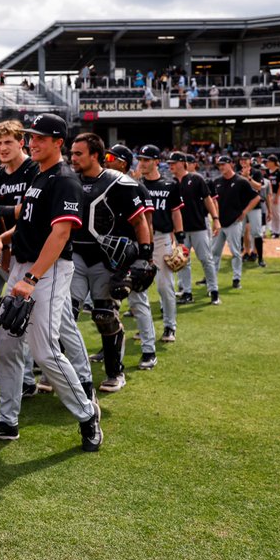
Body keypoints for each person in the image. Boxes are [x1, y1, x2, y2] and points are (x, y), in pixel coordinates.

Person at [0, 114, 102, 448]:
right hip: (24, 265)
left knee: (44, 350)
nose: (34, 142)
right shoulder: (40, 177)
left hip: (49, 269)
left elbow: (60, 234)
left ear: (59, 142)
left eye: (41, 138)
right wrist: (4, 238)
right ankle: (7, 421)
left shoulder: (65, 179)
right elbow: (30, 222)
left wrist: (31, 277)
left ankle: (88, 415)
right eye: (32, 136)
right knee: (8, 348)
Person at [68, 134, 153, 391]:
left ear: (95, 155)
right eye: (71, 154)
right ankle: (60, 372)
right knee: (65, 314)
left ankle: (115, 372)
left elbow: (140, 222)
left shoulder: (121, 183)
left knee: (105, 315)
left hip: (107, 259)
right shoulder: (68, 182)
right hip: (74, 256)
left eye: (78, 154)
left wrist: (144, 257)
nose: (72, 158)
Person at [0, 120, 42, 397]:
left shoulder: (34, 170)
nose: (3, 148)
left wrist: (2, 210)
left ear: (22, 142)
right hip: (0, 254)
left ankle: (39, 375)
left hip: (32, 252)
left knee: (28, 317)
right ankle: (26, 377)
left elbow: (32, 211)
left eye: (8, 142)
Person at [105, 144, 157, 372]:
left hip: (132, 252)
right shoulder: (104, 185)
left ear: (122, 163)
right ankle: (109, 349)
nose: (106, 160)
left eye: (110, 157)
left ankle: (149, 350)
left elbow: (147, 224)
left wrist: (147, 255)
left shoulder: (137, 188)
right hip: (109, 253)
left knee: (138, 302)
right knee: (106, 306)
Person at [136, 145, 184, 343]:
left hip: (162, 238)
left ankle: (169, 326)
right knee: (140, 288)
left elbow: (176, 212)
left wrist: (180, 240)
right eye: (141, 159)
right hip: (141, 240)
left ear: (157, 161)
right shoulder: (136, 185)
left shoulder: (169, 185)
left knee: (165, 287)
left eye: (147, 160)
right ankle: (145, 327)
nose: (143, 163)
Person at [168, 152, 221, 305]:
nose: (170, 165)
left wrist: (215, 219)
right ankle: (187, 292)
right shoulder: (170, 183)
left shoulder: (196, 179)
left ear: (181, 163)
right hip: (181, 230)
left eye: (173, 162)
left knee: (206, 259)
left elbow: (208, 200)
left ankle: (213, 290)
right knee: (182, 261)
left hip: (199, 227)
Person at [209, 156, 260, 290]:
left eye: (223, 164)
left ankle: (236, 278)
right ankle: (212, 280)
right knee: (214, 252)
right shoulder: (217, 182)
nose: (221, 167)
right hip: (220, 223)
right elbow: (212, 201)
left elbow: (256, 197)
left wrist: (245, 212)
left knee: (235, 252)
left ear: (231, 164)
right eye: (219, 165)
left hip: (234, 222)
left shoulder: (240, 181)